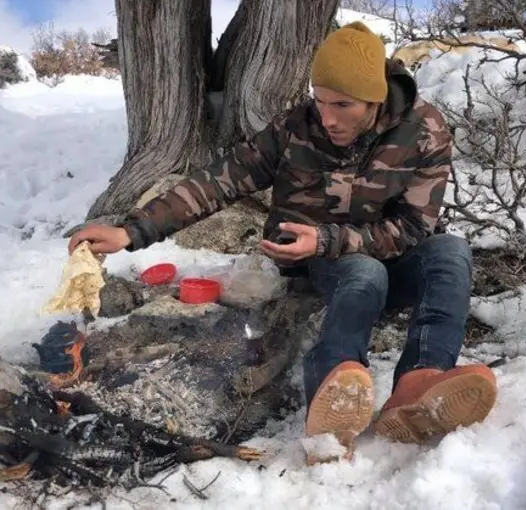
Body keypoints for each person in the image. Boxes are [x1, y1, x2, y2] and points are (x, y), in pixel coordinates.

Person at [68, 21, 497, 464]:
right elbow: (220, 181)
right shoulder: (295, 128)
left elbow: (412, 228)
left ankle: (419, 381)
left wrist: (330, 237)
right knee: (362, 272)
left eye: (343, 105)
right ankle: (333, 403)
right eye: (320, 100)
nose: (327, 117)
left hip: (384, 253)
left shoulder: (424, 129)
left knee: (451, 252)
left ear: (375, 99)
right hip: (315, 263)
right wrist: (132, 231)